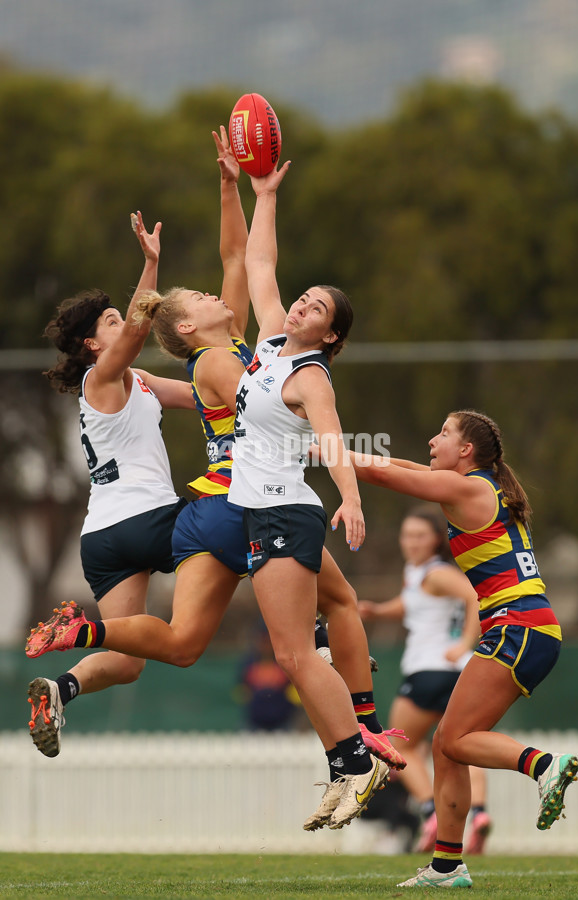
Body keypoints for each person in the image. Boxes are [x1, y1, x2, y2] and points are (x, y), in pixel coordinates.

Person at [26, 132, 406, 786]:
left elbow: (241, 255)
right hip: (228, 503)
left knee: (175, 644)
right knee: (333, 606)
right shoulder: (225, 359)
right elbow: (230, 290)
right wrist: (331, 447)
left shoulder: (170, 373)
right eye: (200, 299)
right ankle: (359, 730)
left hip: (159, 520)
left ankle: (75, 654)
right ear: (190, 328)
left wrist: (233, 188)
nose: (210, 293)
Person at [225, 160, 392, 832]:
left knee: (293, 652)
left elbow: (330, 440)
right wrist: (264, 194)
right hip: (274, 511)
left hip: (283, 513)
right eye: (306, 297)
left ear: (331, 335)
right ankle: (347, 756)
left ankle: (359, 757)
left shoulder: (310, 375)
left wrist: (351, 499)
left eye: (317, 307)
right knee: (339, 609)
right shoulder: (270, 344)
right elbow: (258, 262)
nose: (301, 304)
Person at [347, 409, 578, 888]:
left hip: (516, 628)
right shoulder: (475, 487)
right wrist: (333, 450)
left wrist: (316, 450)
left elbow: (379, 473)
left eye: (444, 433)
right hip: (526, 629)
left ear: (467, 450)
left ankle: (544, 766)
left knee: (452, 740)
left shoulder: (470, 488)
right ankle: (447, 867)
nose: (433, 440)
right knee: (447, 746)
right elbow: (402, 467)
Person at [27, 210, 195, 757]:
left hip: (103, 538)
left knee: (128, 661)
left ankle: (60, 687)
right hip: (147, 519)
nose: (122, 323)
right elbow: (143, 327)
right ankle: (312, 632)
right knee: (249, 525)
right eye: (110, 321)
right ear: (93, 347)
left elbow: (202, 397)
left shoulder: (135, 380)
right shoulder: (101, 379)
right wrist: (150, 264)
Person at [359, 504, 492, 856]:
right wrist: (377, 610)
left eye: (420, 535)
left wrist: (465, 641)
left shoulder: (436, 574)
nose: (411, 542)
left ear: (436, 539)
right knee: (461, 746)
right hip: (458, 673)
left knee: (399, 748)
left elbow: (474, 596)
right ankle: (477, 814)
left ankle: (431, 812)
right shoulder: (417, 574)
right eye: (407, 535)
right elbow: (411, 604)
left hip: (429, 670)